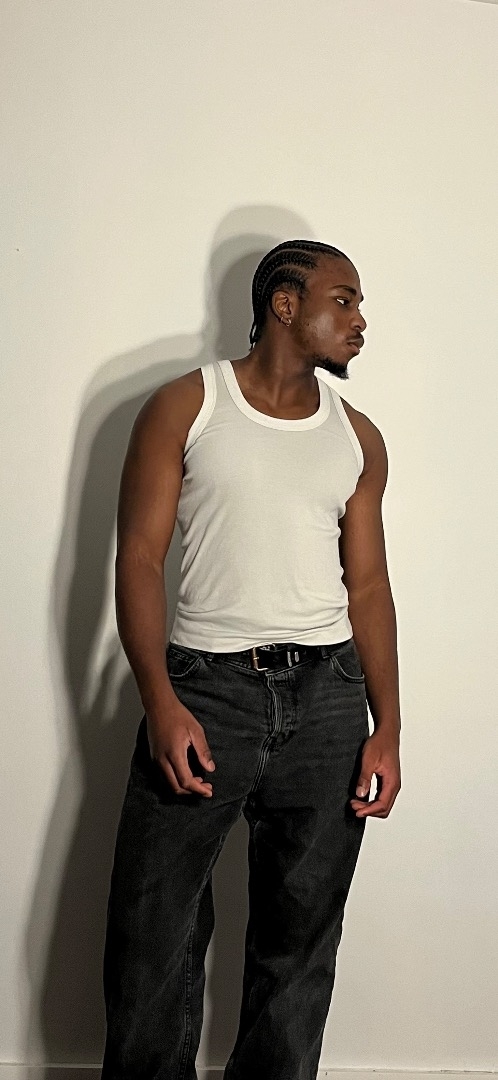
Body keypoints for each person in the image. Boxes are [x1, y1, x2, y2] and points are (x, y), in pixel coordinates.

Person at [100, 239, 401, 1080]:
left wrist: (387, 726)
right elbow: (139, 558)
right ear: (284, 303)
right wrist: (160, 700)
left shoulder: (359, 438)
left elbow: (369, 586)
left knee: (299, 942)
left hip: (330, 700)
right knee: (153, 936)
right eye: (344, 300)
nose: (360, 320)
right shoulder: (187, 406)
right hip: (208, 691)